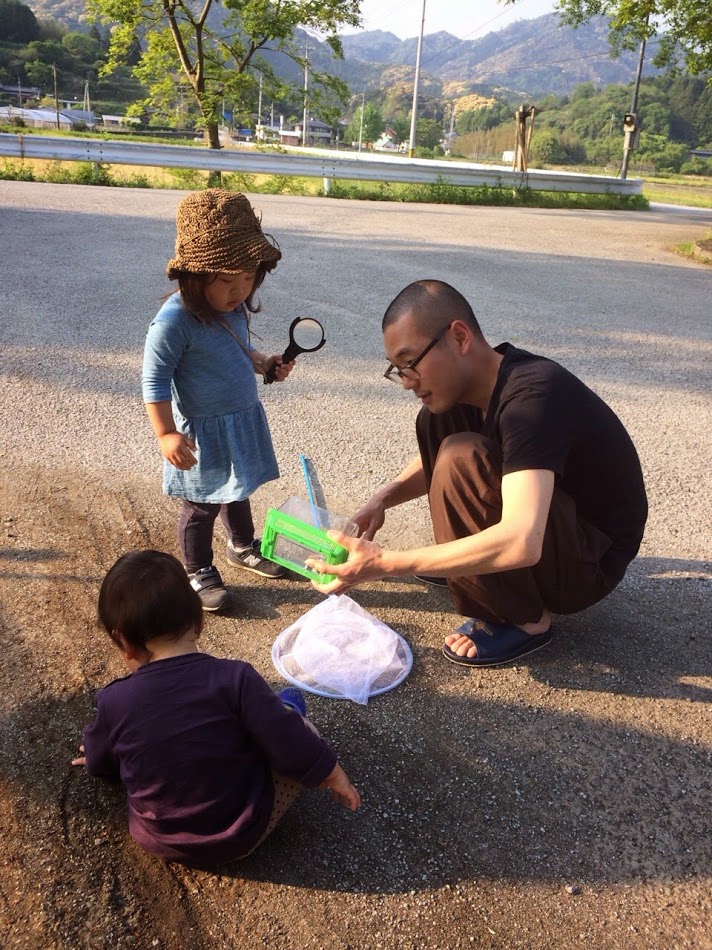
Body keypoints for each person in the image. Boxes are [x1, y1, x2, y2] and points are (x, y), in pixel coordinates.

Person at [310, 280, 648, 668]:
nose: (405, 382)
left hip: (589, 563)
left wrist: (388, 563)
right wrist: (381, 500)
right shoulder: (471, 389)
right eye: (397, 370)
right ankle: (473, 570)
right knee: (438, 425)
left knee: (460, 454)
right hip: (558, 530)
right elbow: (433, 464)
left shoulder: (533, 397)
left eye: (410, 363)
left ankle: (525, 619)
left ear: (458, 337)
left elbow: (522, 541)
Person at [71, 550, 360, 868]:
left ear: (123, 641)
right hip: (240, 835)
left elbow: (100, 756)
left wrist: (97, 758)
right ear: (199, 620)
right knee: (295, 722)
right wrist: (331, 772)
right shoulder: (235, 678)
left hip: (157, 839)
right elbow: (290, 743)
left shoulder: (115, 701)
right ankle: (288, 706)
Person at [142, 189, 294, 612]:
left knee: (238, 487)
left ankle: (241, 546)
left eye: (248, 278)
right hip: (201, 431)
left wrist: (263, 362)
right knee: (201, 504)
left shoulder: (231, 309)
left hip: (239, 419)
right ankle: (197, 569)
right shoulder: (173, 322)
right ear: (193, 274)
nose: (240, 290)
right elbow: (153, 380)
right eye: (228, 281)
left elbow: (237, 348)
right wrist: (166, 433)